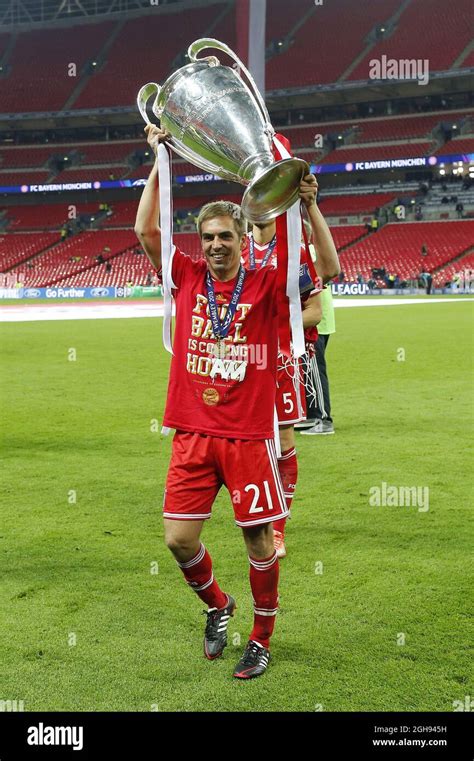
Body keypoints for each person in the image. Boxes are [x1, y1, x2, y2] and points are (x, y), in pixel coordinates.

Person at [134, 123, 311, 679]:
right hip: (191, 430)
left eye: (225, 237)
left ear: (240, 238)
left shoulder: (263, 286)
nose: (215, 245)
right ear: (199, 241)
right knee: (178, 539)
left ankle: (261, 637)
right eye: (207, 236)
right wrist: (160, 160)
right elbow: (145, 229)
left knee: (257, 537)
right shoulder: (184, 275)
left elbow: (307, 266)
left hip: (247, 434)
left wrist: (294, 197)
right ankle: (219, 607)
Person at [241, 171, 339, 557]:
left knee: (282, 445)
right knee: (246, 447)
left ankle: (277, 529)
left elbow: (314, 309)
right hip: (240, 365)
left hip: (279, 363)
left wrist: (272, 327)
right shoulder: (234, 249)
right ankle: (254, 516)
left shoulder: (292, 252)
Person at [297, 221, 337, 436]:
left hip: (317, 323)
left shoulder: (308, 253)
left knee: (315, 370)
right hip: (320, 321)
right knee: (307, 369)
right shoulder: (307, 253)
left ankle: (323, 419)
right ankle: (308, 415)